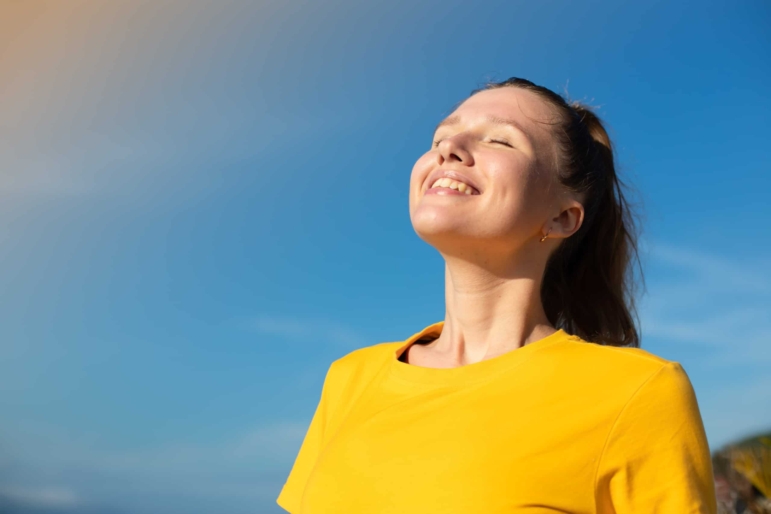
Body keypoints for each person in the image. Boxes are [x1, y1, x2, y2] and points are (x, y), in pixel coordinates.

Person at [276, 78, 717, 513]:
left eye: (501, 142)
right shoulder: (349, 378)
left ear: (562, 216)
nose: (449, 148)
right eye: (441, 136)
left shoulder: (639, 394)